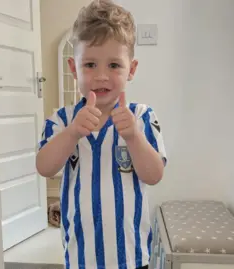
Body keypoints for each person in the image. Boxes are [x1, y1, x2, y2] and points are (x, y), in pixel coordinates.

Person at [36, 0, 167, 268]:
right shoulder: (61, 120)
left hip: (131, 257)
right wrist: (72, 133)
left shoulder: (142, 117)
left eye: (114, 65)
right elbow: (44, 167)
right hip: (81, 255)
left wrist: (132, 137)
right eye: (91, 64)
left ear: (131, 69)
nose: (102, 76)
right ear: (74, 68)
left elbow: (154, 175)